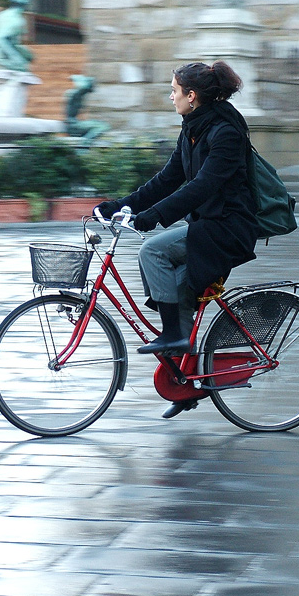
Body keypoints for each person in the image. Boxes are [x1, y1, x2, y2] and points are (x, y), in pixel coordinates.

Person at [94, 60, 259, 418]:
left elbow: (202, 187)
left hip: (228, 228)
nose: (171, 97)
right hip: (207, 225)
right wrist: (118, 205)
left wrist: (153, 216)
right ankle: (184, 382)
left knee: (152, 251)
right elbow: (166, 180)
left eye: (174, 90)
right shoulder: (193, 130)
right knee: (178, 289)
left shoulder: (225, 133)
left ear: (192, 95)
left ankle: (173, 336)